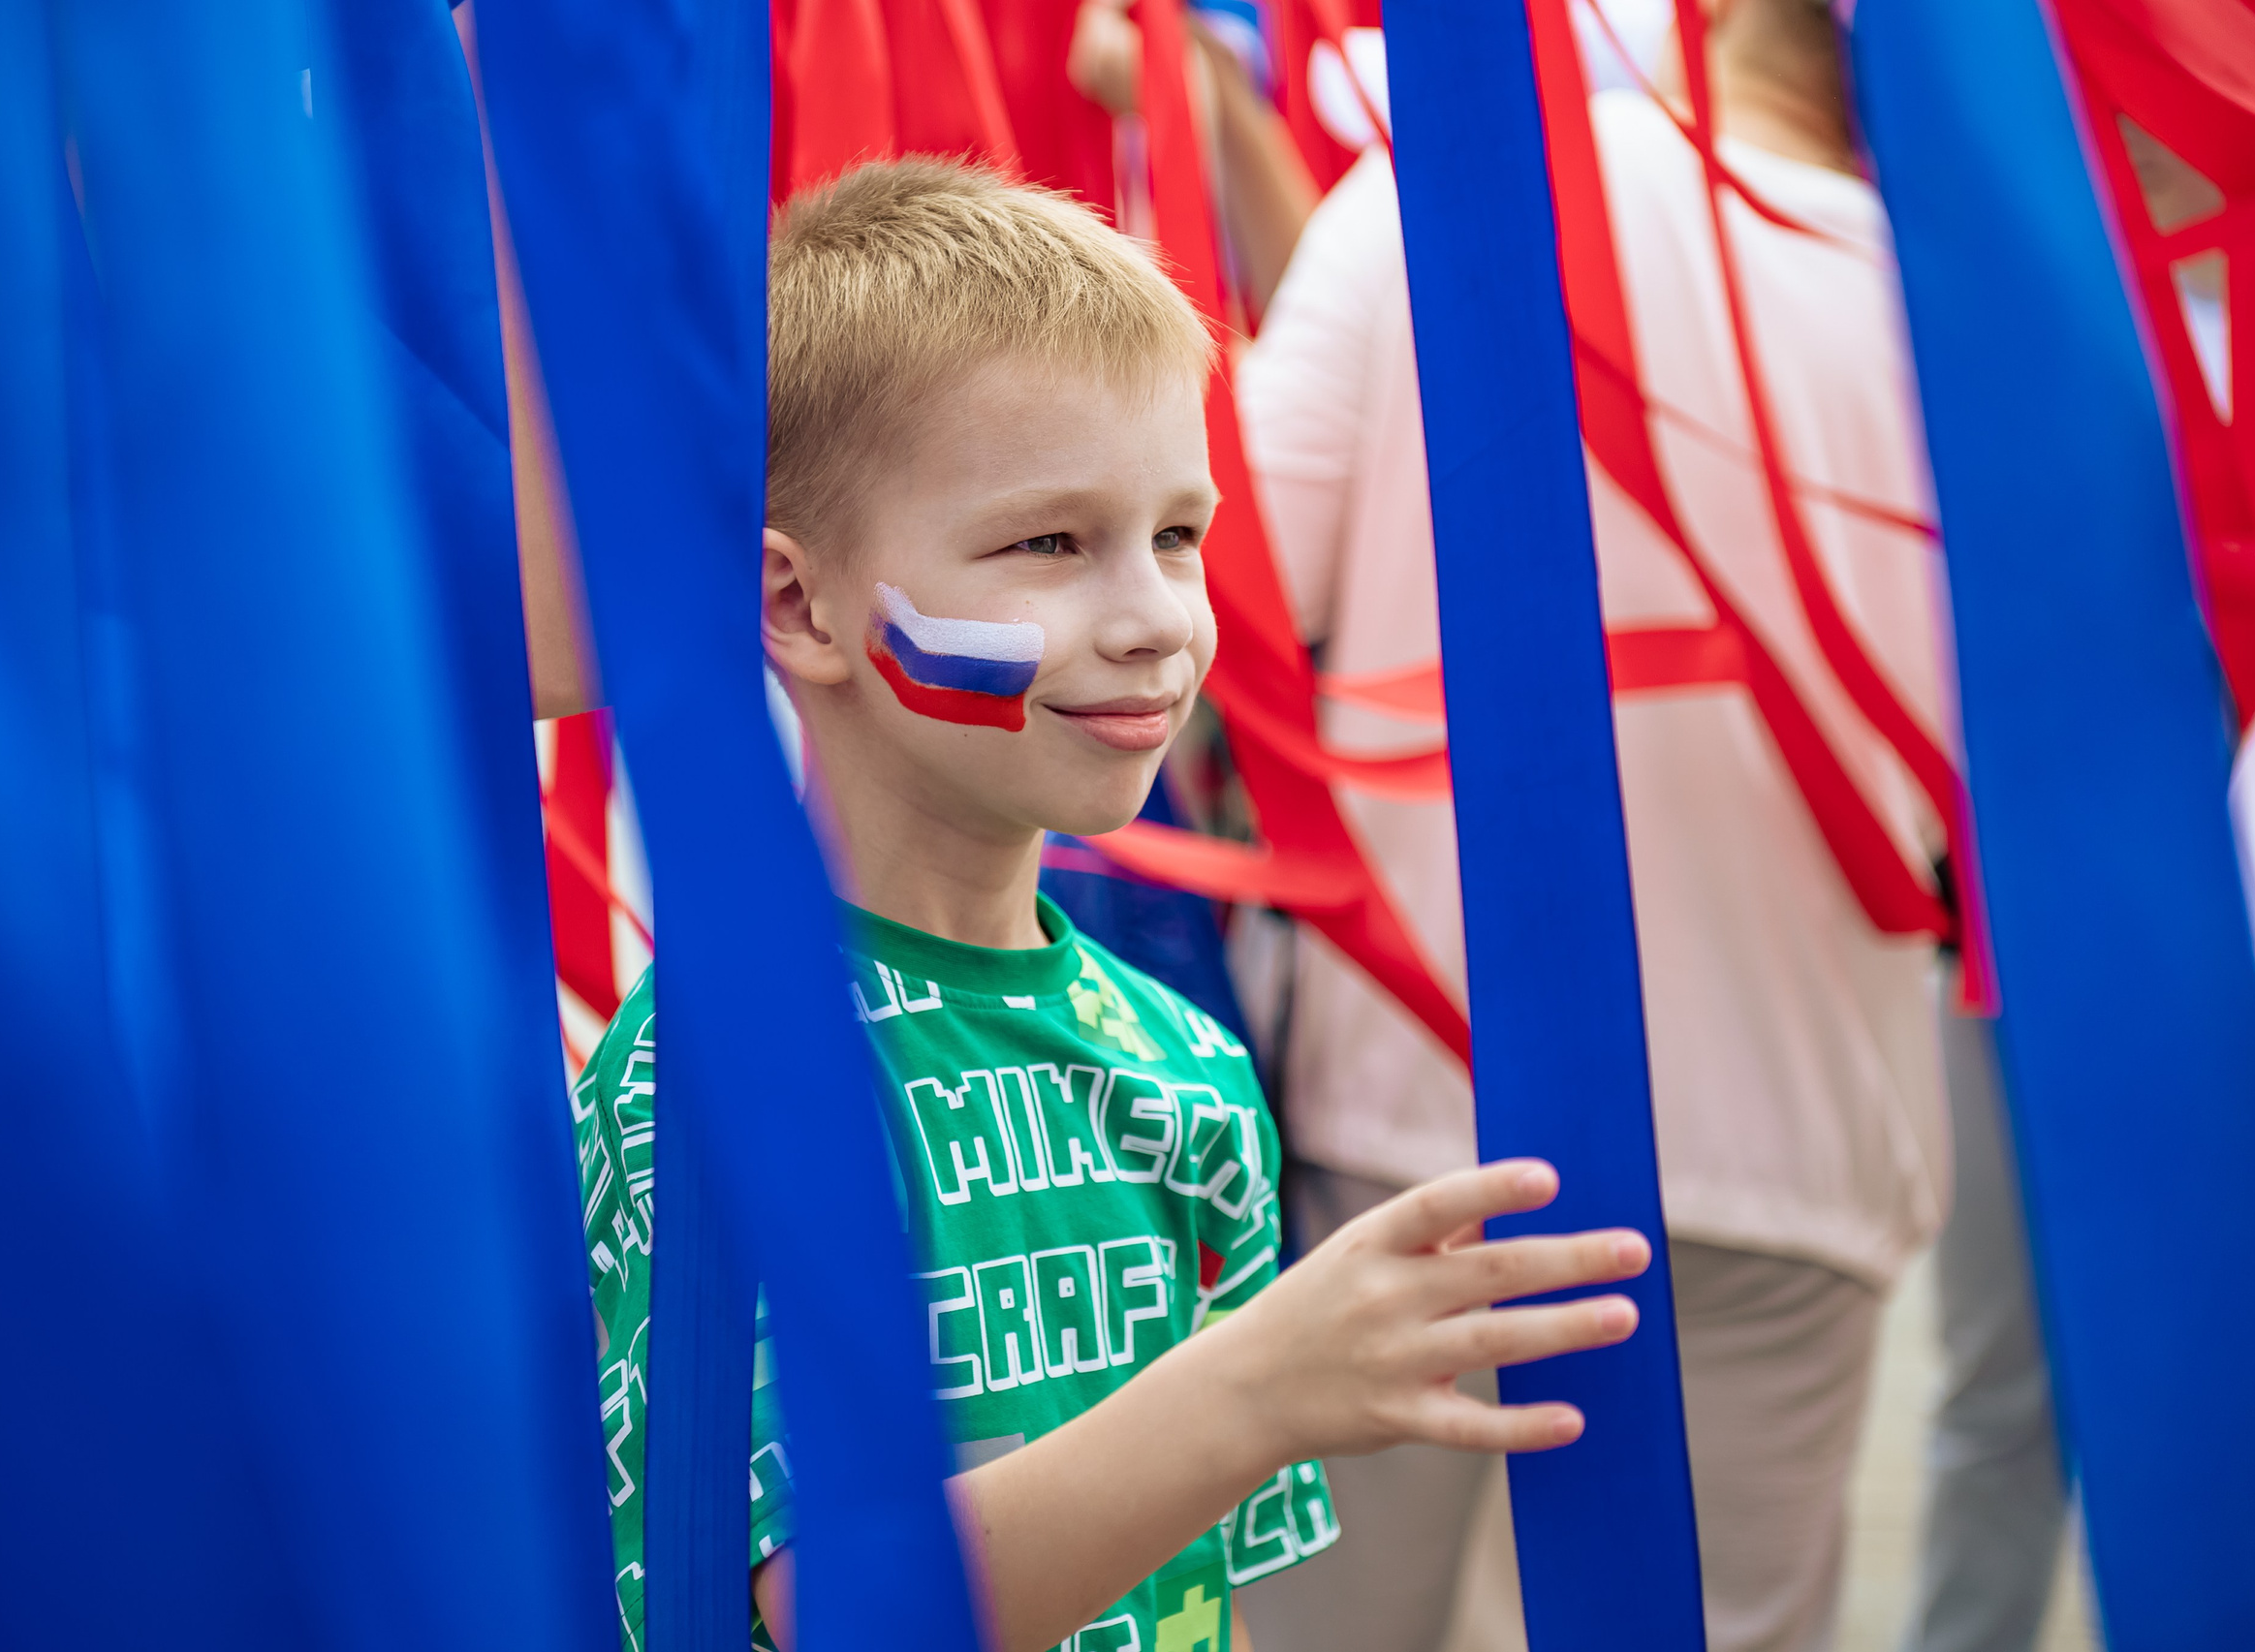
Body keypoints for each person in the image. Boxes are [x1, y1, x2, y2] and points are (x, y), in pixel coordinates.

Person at [555, 160, 1655, 1652]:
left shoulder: (1185, 1066)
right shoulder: (720, 1077)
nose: (1151, 620)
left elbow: (1196, 1596)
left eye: (1180, 534)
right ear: (802, 608)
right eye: (1050, 543)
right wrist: (1260, 1383)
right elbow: (838, 1609)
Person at [1231, 2, 1954, 1649]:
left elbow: (1237, 584)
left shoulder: (1443, 193)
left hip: (1429, 1111)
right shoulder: (1988, 329)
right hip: (1795, 1145)